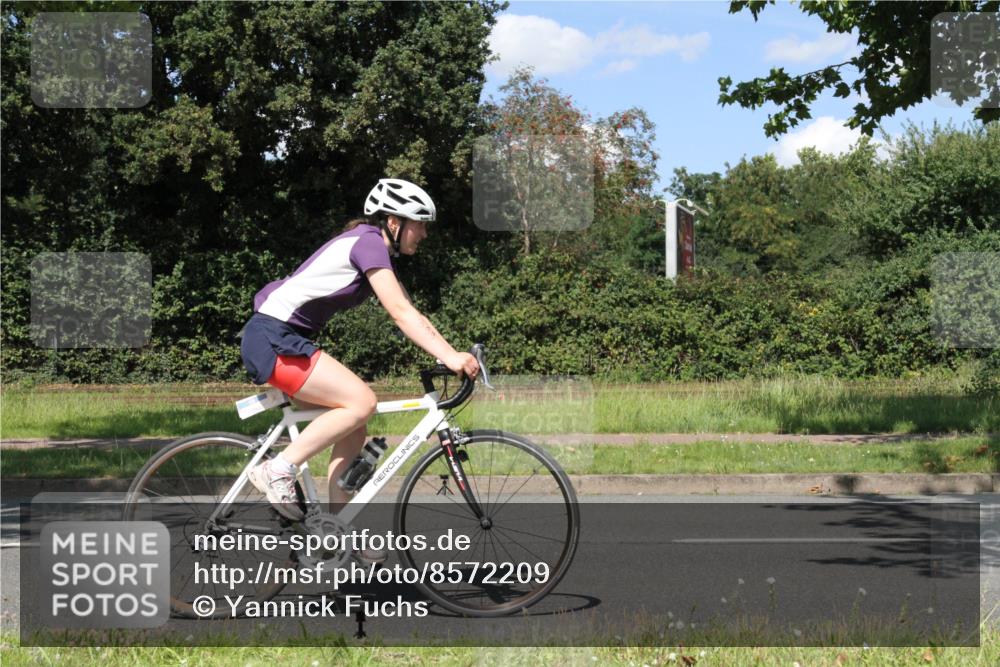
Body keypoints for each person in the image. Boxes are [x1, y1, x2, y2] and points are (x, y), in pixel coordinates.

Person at [239, 178, 479, 524]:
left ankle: (337, 528)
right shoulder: (368, 243)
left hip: (283, 338)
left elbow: (413, 313)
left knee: (354, 427)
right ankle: (278, 470)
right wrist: (451, 357)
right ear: (394, 223)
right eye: (420, 224)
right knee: (362, 402)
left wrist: (448, 353)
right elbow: (401, 314)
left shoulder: (371, 249)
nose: (424, 233)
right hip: (274, 339)